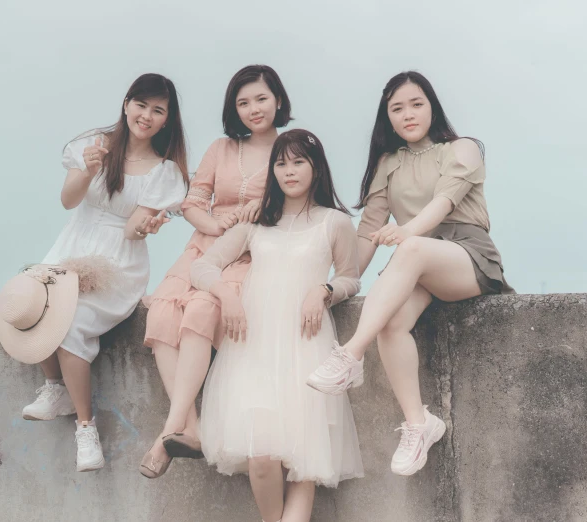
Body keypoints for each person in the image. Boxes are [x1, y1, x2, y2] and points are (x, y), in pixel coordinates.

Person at [307, 71, 513, 477]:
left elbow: (442, 204)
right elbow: (368, 231)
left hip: (465, 256)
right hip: (415, 265)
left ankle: (349, 355)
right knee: (389, 322)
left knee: (412, 250)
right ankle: (419, 424)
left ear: (432, 105)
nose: (408, 114)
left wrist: (406, 232)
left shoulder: (463, 148)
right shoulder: (388, 163)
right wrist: (339, 282)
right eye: (397, 108)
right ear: (388, 118)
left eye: (416, 103)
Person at [191, 129, 364, 522]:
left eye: (298, 161)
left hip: (307, 349)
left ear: (316, 168)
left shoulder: (334, 222)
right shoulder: (257, 223)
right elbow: (203, 266)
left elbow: (351, 278)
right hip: (253, 351)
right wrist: (227, 294)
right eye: (281, 163)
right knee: (263, 459)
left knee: (307, 464)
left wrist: (323, 290)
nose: (289, 171)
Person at [19, 73, 188, 472]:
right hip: (73, 244)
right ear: (127, 104)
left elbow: (132, 229)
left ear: (167, 120)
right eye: (141, 105)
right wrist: (86, 169)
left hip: (118, 260)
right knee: (32, 300)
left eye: (157, 110)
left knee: (73, 320)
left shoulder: (164, 171)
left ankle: (85, 426)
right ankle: (55, 387)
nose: (146, 115)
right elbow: (68, 201)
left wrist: (145, 225)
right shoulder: (94, 144)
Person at [140, 65, 292, 478]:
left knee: (203, 310)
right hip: (204, 246)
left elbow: (300, 203)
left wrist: (260, 213)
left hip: (252, 254)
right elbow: (194, 200)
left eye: (261, 98)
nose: (253, 109)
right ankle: (190, 427)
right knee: (163, 313)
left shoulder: (291, 147)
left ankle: (168, 433)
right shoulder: (221, 148)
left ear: (278, 99)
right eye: (243, 102)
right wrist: (212, 225)